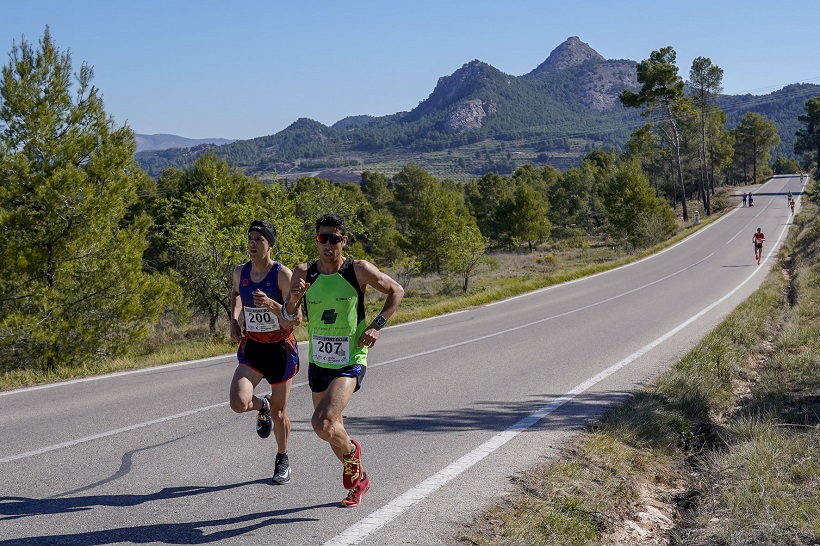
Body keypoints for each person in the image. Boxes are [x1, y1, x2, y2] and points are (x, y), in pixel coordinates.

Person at [284, 213, 404, 508]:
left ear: (343, 241)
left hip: (350, 359)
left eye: (334, 239)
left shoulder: (357, 270)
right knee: (330, 430)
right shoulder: (303, 272)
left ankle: (352, 454)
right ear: (317, 240)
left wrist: (376, 324)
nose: (327, 245)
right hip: (319, 362)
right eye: (322, 238)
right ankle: (359, 480)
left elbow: (396, 291)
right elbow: (289, 317)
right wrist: (294, 301)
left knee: (322, 423)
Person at [229, 219, 301, 485]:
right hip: (253, 348)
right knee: (238, 403)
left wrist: (271, 304)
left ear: (270, 244)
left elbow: (297, 318)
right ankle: (263, 404)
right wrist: (234, 320)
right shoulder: (240, 272)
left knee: (280, 414)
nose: (252, 244)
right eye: (250, 239)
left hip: (281, 349)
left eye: (259, 239)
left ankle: (282, 458)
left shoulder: (282, 275)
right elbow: (236, 293)